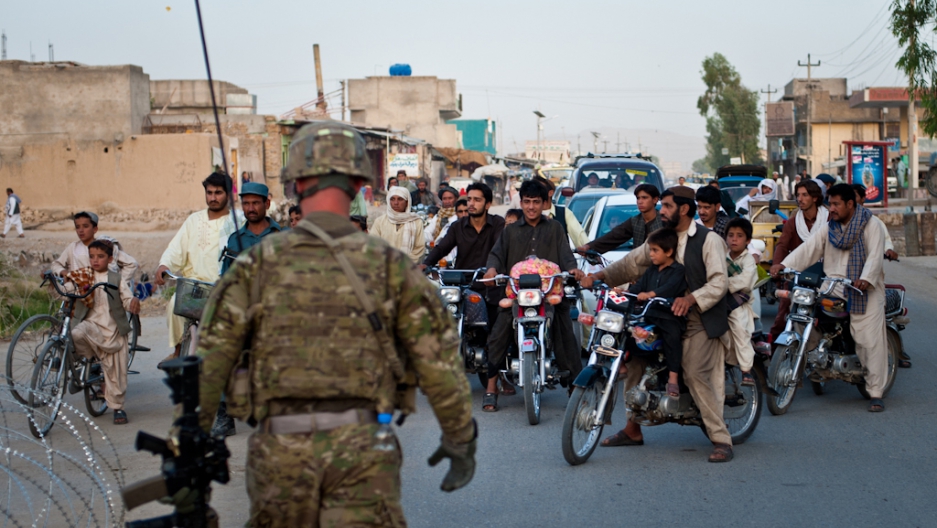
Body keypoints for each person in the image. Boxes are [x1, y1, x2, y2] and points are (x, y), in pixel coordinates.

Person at [193, 122, 476, 526]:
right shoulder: (391, 267)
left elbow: (207, 363)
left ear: (294, 183)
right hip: (363, 452)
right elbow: (441, 363)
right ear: (360, 182)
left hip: (279, 450)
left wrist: (189, 447)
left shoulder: (254, 265)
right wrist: (459, 438)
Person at [581, 186, 734, 463]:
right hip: (659, 317)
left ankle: (721, 438)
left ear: (684, 209)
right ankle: (632, 428)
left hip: (698, 320)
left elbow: (719, 282)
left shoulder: (708, 240)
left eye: (666, 206)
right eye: (661, 206)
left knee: (693, 370)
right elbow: (631, 263)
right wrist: (600, 276)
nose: (661, 211)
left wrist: (691, 299)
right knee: (636, 360)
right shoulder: (660, 237)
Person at [770, 184, 888, 412]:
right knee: (802, 313)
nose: (831, 209)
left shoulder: (871, 225)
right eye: (830, 204)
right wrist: (784, 265)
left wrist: (865, 278)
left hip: (864, 288)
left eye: (836, 204)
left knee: (866, 338)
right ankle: (816, 359)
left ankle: (875, 391)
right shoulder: (829, 227)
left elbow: (875, 257)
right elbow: (809, 249)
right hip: (832, 284)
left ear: (850, 204)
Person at [482, 181, 585, 411]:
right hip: (518, 296)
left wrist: (573, 270)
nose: (531, 207)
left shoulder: (555, 228)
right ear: (521, 202)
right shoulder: (509, 231)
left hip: (549, 295)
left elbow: (566, 257)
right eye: (527, 202)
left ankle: (573, 389)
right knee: (498, 334)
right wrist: (491, 270)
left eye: (536, 202)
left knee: (565, 334)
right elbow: (496, 256)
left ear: (544, 203)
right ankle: (491, 387)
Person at [154, 172, 235, 360]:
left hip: (224, 290)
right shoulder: (194, 221)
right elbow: (176, 249)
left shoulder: (236, 222)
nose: (213, 197)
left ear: (229, 194)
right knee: (174, 304)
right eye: (209, 192)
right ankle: (177, 350)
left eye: (218, 192)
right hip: (194, 289)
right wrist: (164, 265)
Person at [69, 239, 140, 425]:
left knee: (117, 375)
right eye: (92, 256)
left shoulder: (116, 279)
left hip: (113, 331)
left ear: (110, 259)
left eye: (100, 257)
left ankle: (118, 408)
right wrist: (55, 281)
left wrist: (132, 303)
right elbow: (67, 287)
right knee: (76, 333)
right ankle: (89, 359)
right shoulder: (84, 276)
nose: (95, 260)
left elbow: (126, 298)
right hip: (91, 326)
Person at [626, 228, 687, 398]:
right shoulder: (652, 270)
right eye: (650, 250)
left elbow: (670, 288)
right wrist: (624, 293)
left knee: (672, 337)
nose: (651, 254)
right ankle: (623, 361)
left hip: (669, 315)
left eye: (655, 250)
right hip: (650, 314)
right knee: (627, 329)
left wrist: (651, 294)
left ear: (669, 252)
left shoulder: (678, 270)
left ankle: (673, 378)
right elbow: (639, 288)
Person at [768, 180, 828, 348]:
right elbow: (782, 245)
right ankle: (773, 358)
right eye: (798, 195)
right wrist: (777, 265)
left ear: (815, 198)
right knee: (783, 317)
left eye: (805, 195)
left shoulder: (829, 218)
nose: (800, 199)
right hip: (799, 275)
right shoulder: (794, 222)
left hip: (826, 275)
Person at [51, 211, 139, 286]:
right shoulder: (73, 248)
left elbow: (131, 264)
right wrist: (63, 272)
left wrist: (118, 284)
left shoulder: (105, 245)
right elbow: (56, 264)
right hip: (79, 295)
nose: (81, 230)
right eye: (78, 227)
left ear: (95, 229)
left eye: (85, 226)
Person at [576, 183, 662, 254]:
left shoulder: (664, 222)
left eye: (644, 198)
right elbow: (614, 236)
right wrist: (588, 247)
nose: (640, 201)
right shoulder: (635, 221)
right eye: (638, 198)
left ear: (655, 200)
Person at [221, 183, 282, 276]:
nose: (250, 209)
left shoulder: (283, 236)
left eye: (255, 203)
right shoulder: (234, 240)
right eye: (246, 203)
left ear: (267, 204)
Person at [725, 218, 758, 387]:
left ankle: (746, 369)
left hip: (739, 304)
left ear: (748, 240)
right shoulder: (723, 257)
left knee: (740, 330)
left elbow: (744, 282)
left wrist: (721, 285)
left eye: (739, 236)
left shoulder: (748, 260)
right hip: (720, 299)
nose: (734, 239)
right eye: (730, 235)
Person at [370, 186, 426, 263]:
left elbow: (419, 248)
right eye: (392, 199)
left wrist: (403, 264)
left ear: (407, 202)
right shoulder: (379, 221)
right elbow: (373, 246)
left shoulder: (416, 221)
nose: (396, 203)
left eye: (400, 199)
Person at [534, 176, 589, 248]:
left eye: (539, 189)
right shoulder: (525, 214)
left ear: (550, 193)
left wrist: (587, 249)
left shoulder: (564, 213)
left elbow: (579, 236)